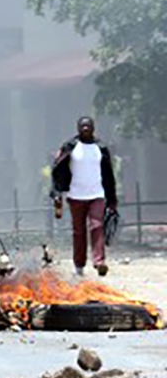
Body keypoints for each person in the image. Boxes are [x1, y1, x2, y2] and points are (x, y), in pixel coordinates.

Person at [51, 116, 117, 277]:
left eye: (88, 126)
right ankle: (79, 265)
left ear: (93, 128)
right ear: (78, 128)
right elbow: (58, 170)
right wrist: (57, 193)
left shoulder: (100, 148)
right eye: (83, 126)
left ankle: (99, 262)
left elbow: (108, 175)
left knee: (97, 226)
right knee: (79, 231)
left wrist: (112, 199)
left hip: (97, 195)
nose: (86, 129)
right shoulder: (71, 147)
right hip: (76, 195)